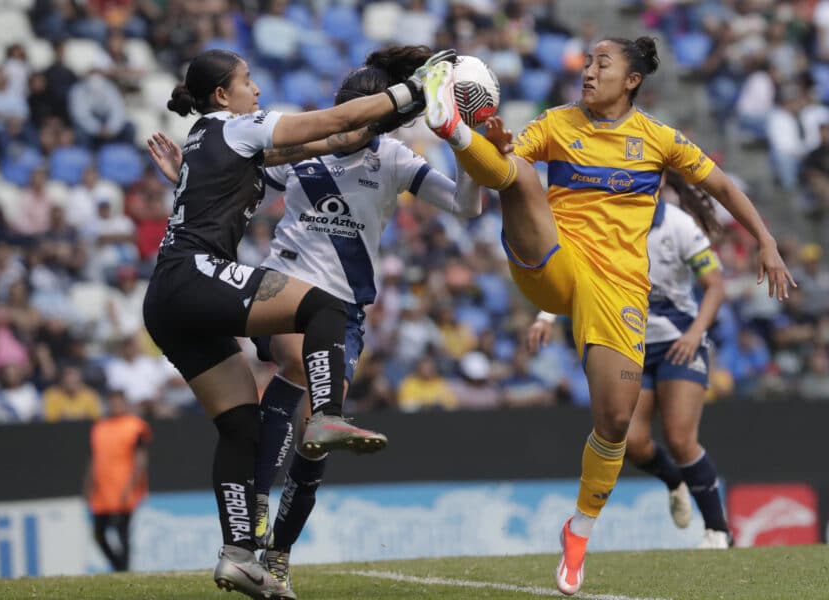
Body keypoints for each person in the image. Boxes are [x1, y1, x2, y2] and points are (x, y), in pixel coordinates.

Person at [421, 36, 793, 594]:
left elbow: (719, 184)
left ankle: (579, 531)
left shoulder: (658, 139)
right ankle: (448, 125)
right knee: (519, 178)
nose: (588, 72)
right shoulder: (556, 123)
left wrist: (765, 240)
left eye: (602, 64)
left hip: (618, 288)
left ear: (633, 79)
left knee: (617, 422)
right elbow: (510, 159)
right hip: (553, 260)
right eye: (586, 63)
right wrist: (489, 144)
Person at [148, 46, 480, 596]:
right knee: (303, 340)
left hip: (320, 309)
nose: (257, 89)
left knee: (251, 428)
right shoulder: (268, 138)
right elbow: (333, 129)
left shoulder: (390, 157)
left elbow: (228, 179)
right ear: (222, 95)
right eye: (247, 80)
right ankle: (286, 461)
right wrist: (419, 90)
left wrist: (464, 143)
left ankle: (260, 554)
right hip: (278, 289)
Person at [529, 171, 731, 548]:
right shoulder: (603, 223)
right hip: (627, 343)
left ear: (655, 186)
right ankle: (673, 481)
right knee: (632, 442)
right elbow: (573, 277)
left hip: (678, 343)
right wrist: (545, 315)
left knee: (679, 436)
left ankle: (718, 530)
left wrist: (693, 333)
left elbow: (715, 286)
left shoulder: (679, 225)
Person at [83, 389, 151, 572]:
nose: (115, 406)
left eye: (118, 402)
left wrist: (131, 487)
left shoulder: (135, 426)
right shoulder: (99, 427)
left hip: (123, 487)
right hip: (103, 490)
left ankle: (124, 569)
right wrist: (88, 486)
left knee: (122, 534)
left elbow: (140, 460)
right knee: (99, 534)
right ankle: (118, 567)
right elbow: (94, 458)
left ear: (125, 403)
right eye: (112, 402)